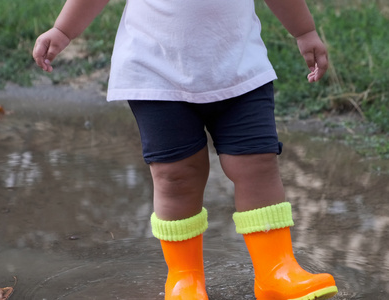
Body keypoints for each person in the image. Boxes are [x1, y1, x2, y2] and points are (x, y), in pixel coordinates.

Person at [33, 0, 338, 299]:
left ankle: (276, 271)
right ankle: (184, 279)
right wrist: (63, 31)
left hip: (239, 68)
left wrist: (305, 32)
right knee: (175, 176)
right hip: (156, 72)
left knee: (257, 164)